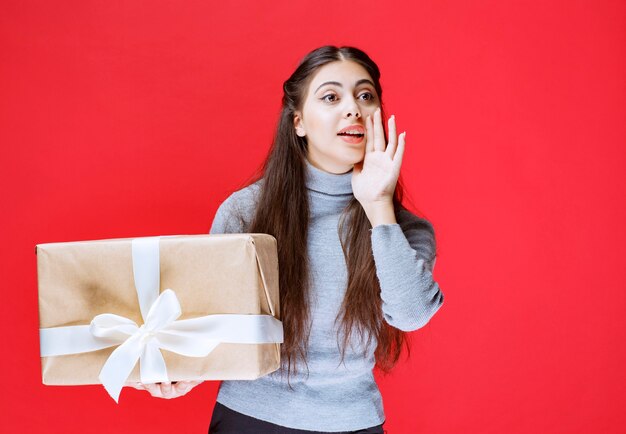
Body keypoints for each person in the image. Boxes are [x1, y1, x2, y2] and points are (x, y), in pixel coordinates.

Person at [130, 45, 444, 433]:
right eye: (331, 96)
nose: (354, 108)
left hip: (355, 423)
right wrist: (179, 371)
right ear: (298, 122)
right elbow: (203, 321)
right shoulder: (245, 211)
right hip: (251, 419)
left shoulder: (402, 229)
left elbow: (411, 314)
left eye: (366, 95)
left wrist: (378, 205)